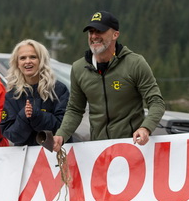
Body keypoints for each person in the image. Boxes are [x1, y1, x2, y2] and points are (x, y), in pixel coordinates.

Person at [53, 11, 165, 152]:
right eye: (91, 32)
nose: (94, 36)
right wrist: (61, 135)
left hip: (132, 147)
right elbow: (75, 109)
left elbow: (156, 102)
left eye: (100, 31)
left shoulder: (135, 63)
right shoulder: (78, 68)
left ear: (115, 35)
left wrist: (145, 128)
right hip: (98, 150)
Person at [0, 39, 69, 146]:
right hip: (24, 155)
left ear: (41, 61)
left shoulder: (58, 90)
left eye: (33, 57)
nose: (28, 61)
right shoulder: (12, 95)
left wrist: (36, 115)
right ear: (17, 63)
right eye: (22, 58)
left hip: (55, 153)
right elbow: (11, 135)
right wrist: (24, 116)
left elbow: (62, 128)